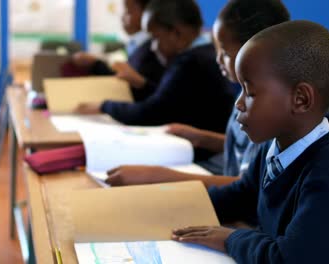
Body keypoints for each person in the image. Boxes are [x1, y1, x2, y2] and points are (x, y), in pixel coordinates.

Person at [172, 20, 329, 263]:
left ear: (300, 99)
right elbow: (243, 195)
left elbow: (288, 259)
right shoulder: (274, 144)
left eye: (250, 92)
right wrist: (178, 206)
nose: (239, 104)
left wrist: (229, 239)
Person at [105, 0, 290, 187]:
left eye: (224, 52)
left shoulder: (266, 109)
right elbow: (243, 148)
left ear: (253, 51)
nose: (218, 59)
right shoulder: (245, 95)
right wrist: (202, 138)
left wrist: (160, 176)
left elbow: (249, 189)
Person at [75, 0, 234, 134]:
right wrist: (143, 84)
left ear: (176, 33)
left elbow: (152, 113)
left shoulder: (190, 62)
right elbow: (170, 102)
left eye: (156, 38)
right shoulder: (203, 53)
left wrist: (104, 106)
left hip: (203, 154)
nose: (153, 47)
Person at [73, 0, 165, 101]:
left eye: (129, 11)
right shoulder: (138, 45)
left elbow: (131, 88)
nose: (122, 17)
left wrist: (96, 64)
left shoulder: (153, 49)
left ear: (147, 15)